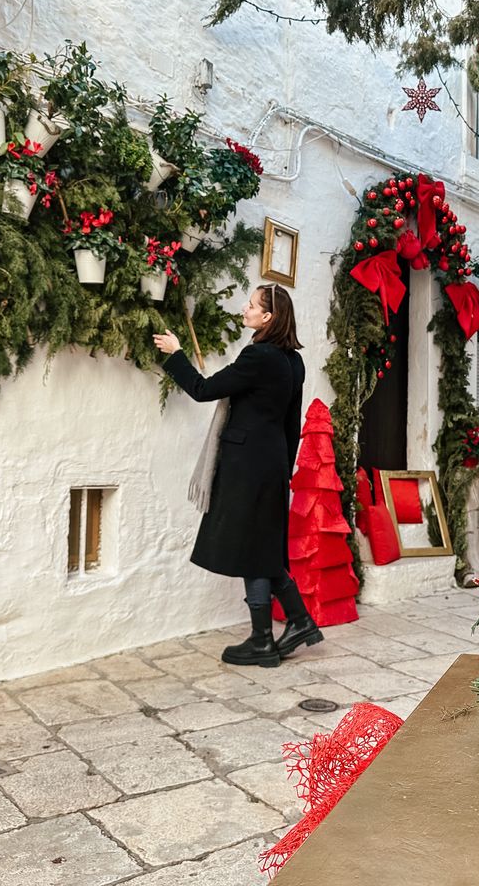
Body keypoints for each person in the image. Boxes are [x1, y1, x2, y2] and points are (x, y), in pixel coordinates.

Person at [152, 284, 322, 668]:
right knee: (260, 548)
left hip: (246, 465)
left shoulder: (258, 355)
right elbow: (290, 423)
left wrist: (176, 354)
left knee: (252, 548)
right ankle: (293, 624)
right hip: (272, 463)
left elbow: (203, 389)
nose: (244, 308)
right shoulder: (293, 361)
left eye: (252, 305)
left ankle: (267, 638)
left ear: (268, 318)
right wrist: (284, 466)